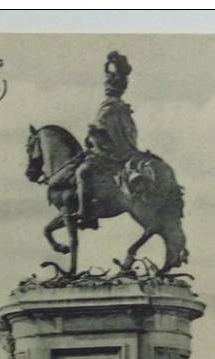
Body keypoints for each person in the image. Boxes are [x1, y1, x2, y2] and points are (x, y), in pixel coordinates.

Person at [75, 52, 139, 229]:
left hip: (112, 153)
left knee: (83, 171)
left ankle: (85, 214)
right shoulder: (123, 109)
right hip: (126, 151)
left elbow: (98, 130)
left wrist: (90, 139)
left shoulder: (108, 108)